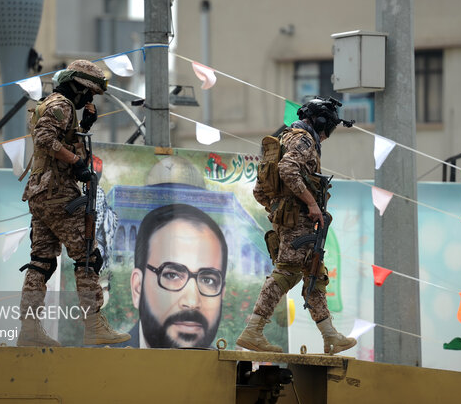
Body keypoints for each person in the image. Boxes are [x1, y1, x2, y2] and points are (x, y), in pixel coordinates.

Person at [17, 59, 129, 346]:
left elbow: (55, 139)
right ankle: (94, 325)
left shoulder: (52, 104)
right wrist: (77, 162)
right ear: (78, 88)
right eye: (88, 93)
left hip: (40, 194)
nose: (90, 99)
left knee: (41, 261)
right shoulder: (63, 105)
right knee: (88, 256)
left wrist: (84, 127)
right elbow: (45, 140)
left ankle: (29, 330)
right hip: (57, 193)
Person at [237, 97, 357, 354]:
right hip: (299, 221)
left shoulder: (283, 139)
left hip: (290, 221)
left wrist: (279, 211)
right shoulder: (304, 140)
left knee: (314, 274)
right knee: (288, 272)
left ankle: (330, 336)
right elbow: (288, 169)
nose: (327, 135)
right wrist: (311, 204)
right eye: (329, 128)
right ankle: (253, 331)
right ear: (322, 121)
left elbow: (260, 191)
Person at [119, 203, 228, 348]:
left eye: (208, 280)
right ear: (137, 287)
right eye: (172, 275)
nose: (192, 302)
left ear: (222, 294)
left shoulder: (228, 370)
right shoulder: (98, 366)